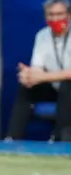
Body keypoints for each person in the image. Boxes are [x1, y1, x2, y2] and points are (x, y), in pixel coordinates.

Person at [6, 0, 71, 141]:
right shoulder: (42, 36)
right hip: (53, 87)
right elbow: (37, 67)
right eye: (51, 15)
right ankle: (12, 139)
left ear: (69, 15)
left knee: (67, 85)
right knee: (26, 87)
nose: (55, 18)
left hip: (68, 88)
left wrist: (41, 77)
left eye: (59, 14)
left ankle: (59, 138)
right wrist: (29, 75)